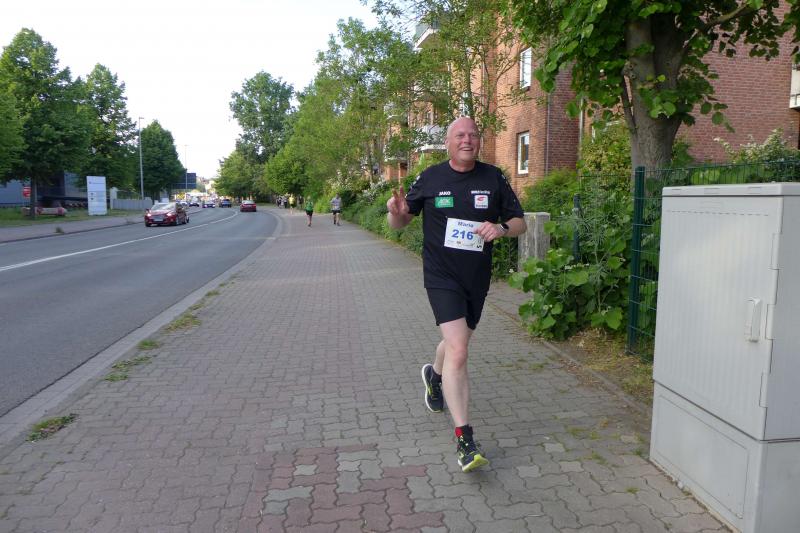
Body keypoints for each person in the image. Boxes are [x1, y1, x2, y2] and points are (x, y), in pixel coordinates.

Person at [386, 116, 526, 472]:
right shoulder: (430, 178)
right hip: (441, 276)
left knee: (455, 344)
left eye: (473, 135)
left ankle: (434, 376)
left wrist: (501, 228)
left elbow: (519, 222)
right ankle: (465, 440)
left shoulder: (493, 178)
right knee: (460, 351)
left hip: (476, 279)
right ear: (448, 142)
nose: (467, 140)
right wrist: (396, 215)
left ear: (479, 142)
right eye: (460, 135)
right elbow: (401, 221)